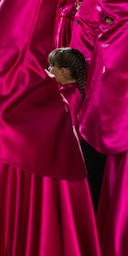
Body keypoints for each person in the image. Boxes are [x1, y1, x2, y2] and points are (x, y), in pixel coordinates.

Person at [47, 46, 106, 204]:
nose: (49, 70)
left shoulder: (67, 96)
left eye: (53, 66)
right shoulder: (77, 91)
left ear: (65, 72)